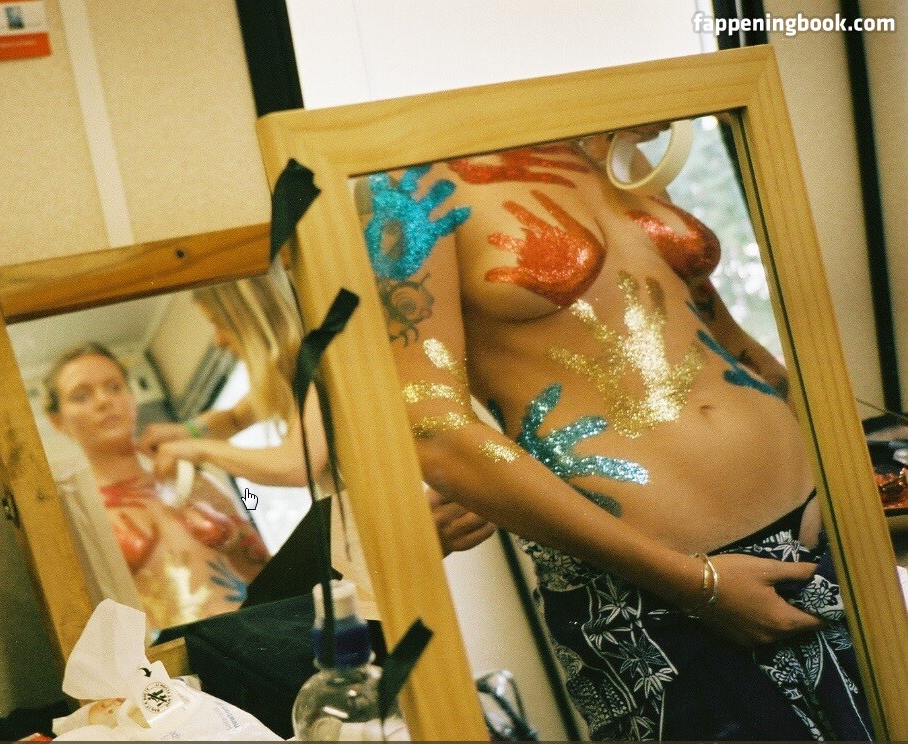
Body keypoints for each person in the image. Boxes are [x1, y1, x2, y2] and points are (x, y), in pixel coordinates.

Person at [360, 133, 872, 740]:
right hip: (650, 588)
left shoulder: (618, 156)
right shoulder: (413, 184)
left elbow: (731, 344)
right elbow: (434, 428)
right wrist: (695, 585)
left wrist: (843, 475)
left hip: (821, 539)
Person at [137, 273, 499, 563]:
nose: (217, 341)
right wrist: (185, 431)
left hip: (431, 510)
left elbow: (297, 465)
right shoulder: (290, 376)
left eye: (219, 323)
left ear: (250, 317)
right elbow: (233, 418)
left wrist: (198, 449)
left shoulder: (322, 361)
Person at [43, 342, 270, 631]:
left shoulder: (195, 480)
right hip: (176, 655)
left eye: (114, 387)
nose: (103, 401)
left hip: (260, 629)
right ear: (58, 420)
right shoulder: (79, 518)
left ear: (132, 397)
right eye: (81, 396)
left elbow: (264, 565)